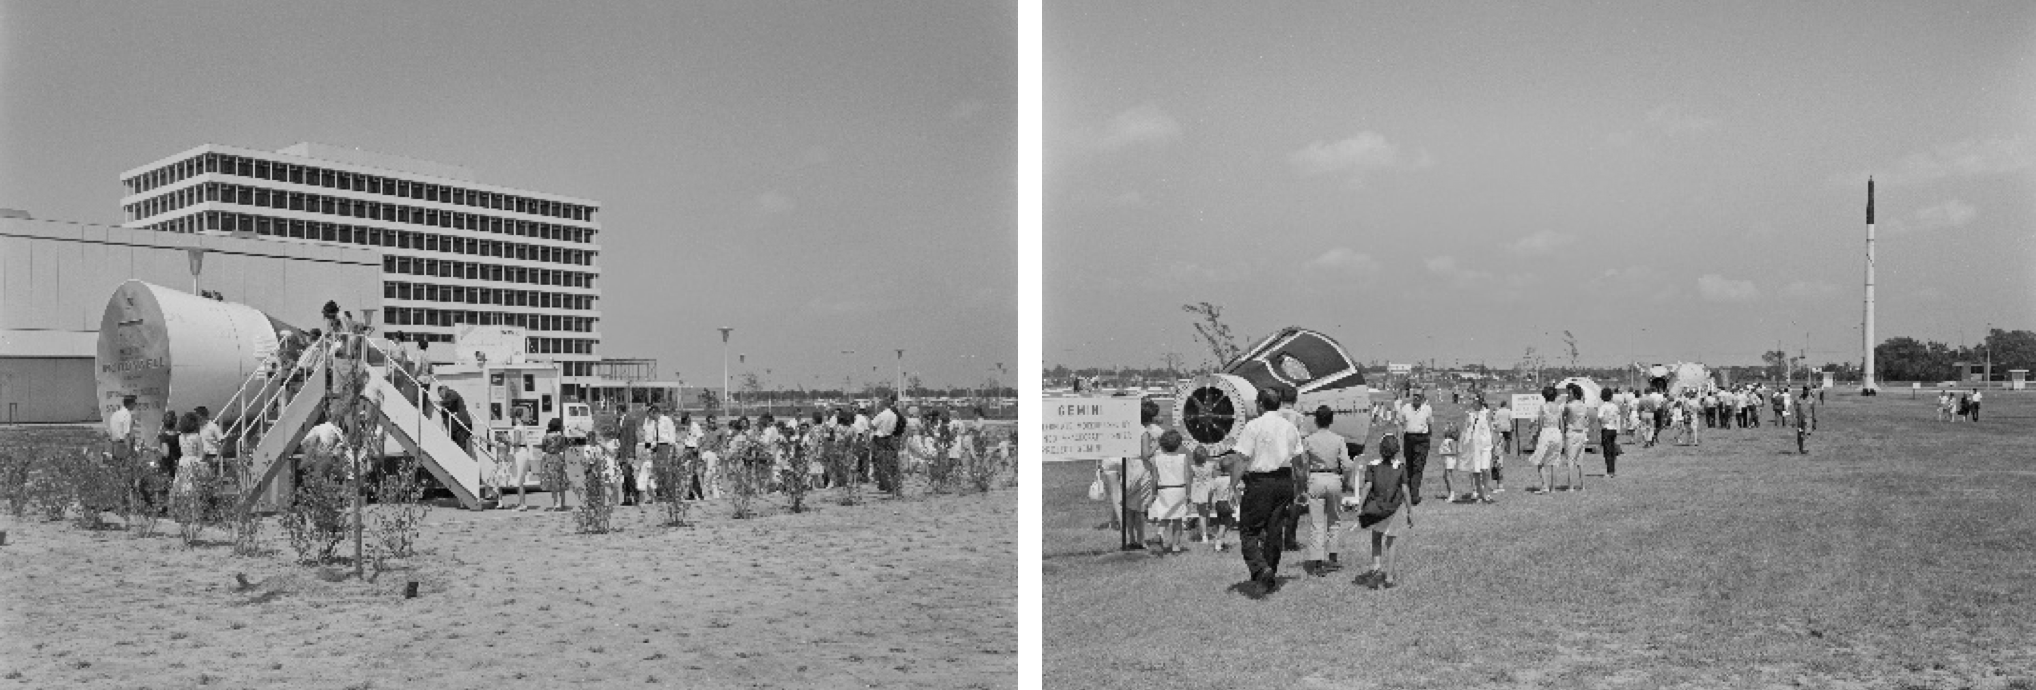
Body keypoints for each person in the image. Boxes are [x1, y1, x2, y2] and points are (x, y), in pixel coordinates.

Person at [1213, 388, 1304, 594]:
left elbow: (1242, 460)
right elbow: (1299, 463)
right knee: (1274, 530)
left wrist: (1232, 486)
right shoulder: (1290, 427)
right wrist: (1301, 488)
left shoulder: (1253, 426)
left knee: (1249, 529)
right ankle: (1268, 576)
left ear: (1260, 405)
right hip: (1284, 481)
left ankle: (1260, 568)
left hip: (1260, 482)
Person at [1350, 434, 1412, 589]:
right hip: (1393, 510)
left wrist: (1359, 507)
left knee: (1376, 538)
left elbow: (1367, 487)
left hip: (1376, 508)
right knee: (1391, 542)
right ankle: (1389, 577)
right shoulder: (1401, 466)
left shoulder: (1373, 465)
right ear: (1397, 450)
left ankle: (1376, 568)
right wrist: (1410, 511)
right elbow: (1405, 490)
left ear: (1381, 449)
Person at [1299, 405, 1352, 575]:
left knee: (1317, 523)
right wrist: (1345, 481)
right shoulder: (1338, 439)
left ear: (1316, 420)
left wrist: (1303, 483)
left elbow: (1303, 464)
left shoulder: (1309, 440)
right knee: (1334, 520)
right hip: (1334, 478)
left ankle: (1317, 562)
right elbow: (1348, 465)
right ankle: (1333, 557)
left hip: (1316, 478)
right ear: (1331, 420)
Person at [1146, 430, 1194, 555]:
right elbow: (1187, 477)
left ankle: (1159, 533)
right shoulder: (1182, 458)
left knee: (1164, 514)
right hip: (1179, 489)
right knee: (1177, 519)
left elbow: (1154, 478)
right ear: (1179, 444)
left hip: (1163, 489)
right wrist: (1189, 493)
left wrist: (1153, 493)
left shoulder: (1157, 459)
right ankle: (1175, 546)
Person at [1395, 391, 1434, 505]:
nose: (1416, 398)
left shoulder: (1427, 409)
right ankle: (1407, 493)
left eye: (1419, 396)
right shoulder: (1406, 408)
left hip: (1422, 439)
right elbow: (1400, 424)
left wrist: (1427, 438)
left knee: (1418, 467)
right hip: (1409, 438)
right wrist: (1398, 439)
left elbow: (1430, 425)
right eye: (1414, 395)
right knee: (1409, 466)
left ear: (1422, 398)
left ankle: (1414, 495)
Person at [1526, 386, 1563, 494]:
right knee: (1555, 461)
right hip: (1557, 433)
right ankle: (1553, 488)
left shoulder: (1543, 407)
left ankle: (1545, 485)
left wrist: (1536, 436)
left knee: (1540, 460)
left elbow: (1541, 425)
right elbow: (1561, 424)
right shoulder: (1559, 408)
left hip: (1546, 433)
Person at [870, 395, 903, 494]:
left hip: (879, 439)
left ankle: (884, 484)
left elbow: (872, 425)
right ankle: (892, 485)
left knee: (879, 462)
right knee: (890, 462)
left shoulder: (881, 415)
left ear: (884, 405)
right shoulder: (894, 415)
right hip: (889, 438)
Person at [1464, 397, 1495, 503]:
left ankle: (1486, 492)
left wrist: (1495, 444)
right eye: (1472, 401)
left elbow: (1491, 428)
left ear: (1480, 403)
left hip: (1486, 444)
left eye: (1475, 401)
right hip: (1474, 445)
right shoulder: (1469, 413)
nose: (1473, 403)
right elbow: (1467, 428)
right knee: (1476, 471)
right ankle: (1479, 493)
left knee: (1485, 469)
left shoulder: (1486, 413)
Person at [540, 418, 571, 511]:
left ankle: (556, 503)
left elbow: (543, 448)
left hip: (548, 458)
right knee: (561, 480)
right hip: (558, 458)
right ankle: (563, 503)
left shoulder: (546, 437)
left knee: (553, 481)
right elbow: (565, 447)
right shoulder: (561, 436)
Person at [1597, 388, 1622, 480]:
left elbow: (1599, 417)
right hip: (1614, 430)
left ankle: (1609, 472)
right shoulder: (1615, 406)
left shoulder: (1603, 406)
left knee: (1607, 451)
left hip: (1606, 429)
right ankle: (1613, 470)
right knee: (1612, 451)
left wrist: (1602, 423)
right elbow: (1618, 418)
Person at [1437, 423, 1464, 503]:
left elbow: (1454, 452)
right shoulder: (1447, 440)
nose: (1444, 429)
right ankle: (1450, 494)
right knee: (1445, 476)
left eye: (1446, 428)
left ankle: (1452, 494)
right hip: (1446, 460)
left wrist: (1444, 453)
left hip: (1450, 460)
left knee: (1448, 476)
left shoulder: (1451, 441)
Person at [106, 395, 138, 464]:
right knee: (125, 468)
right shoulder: (127, 415)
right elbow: (126, 434)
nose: (135, 405)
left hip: (114, 445)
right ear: (131, 404)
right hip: (122, 446)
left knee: (117, 467)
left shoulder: (115, 414)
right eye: (135, 403)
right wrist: (129, 450)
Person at [196, 406, 224, 476]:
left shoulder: (213, 427)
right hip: (203, 456)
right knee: (203, 479)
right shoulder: (200, 427)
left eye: (197, 416)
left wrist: (217, 457)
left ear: (202, 416)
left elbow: (223, 442)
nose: (196, 419)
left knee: (212, 479)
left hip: (212, 456)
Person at [1795, 385, 1819, 455]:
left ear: (1809, 390)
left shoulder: (1812, 400)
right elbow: (1795, 409)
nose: (1805, 390)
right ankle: (1801, 447)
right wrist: (1794, 419)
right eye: (1804, 389)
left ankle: (1805, 448)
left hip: (1808, 419)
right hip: (1800, 419)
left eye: (1807, 389)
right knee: (1800, 434)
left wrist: (1814, 421)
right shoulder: (1798, 399)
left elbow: (1814, 411)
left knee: (1807, 433)